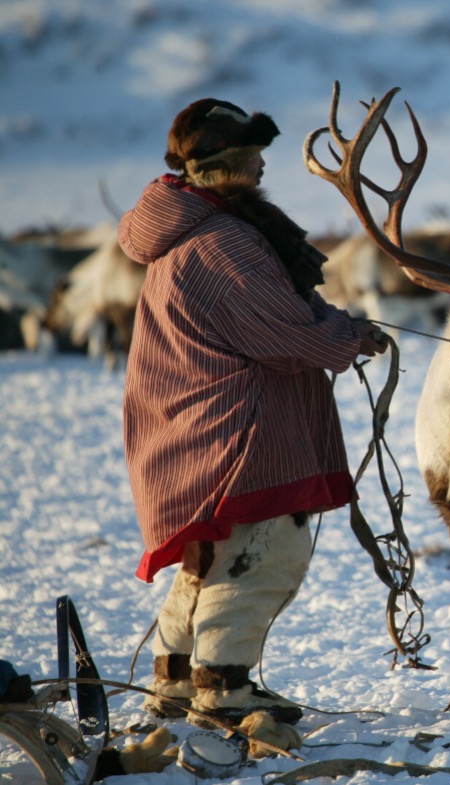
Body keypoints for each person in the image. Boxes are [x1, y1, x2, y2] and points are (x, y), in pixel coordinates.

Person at [118, 98, 388, 726]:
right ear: (229, 165)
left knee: (207, 559)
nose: (263, 166)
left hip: (187, 432)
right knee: (264, 552)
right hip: (238, 436)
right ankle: (225, 689)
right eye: (252, 156)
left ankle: (178, 681)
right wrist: (348, 337)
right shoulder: (224, 244)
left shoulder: (190, 234)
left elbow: (281, 315)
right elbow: (284, 332)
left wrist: (340, 326)